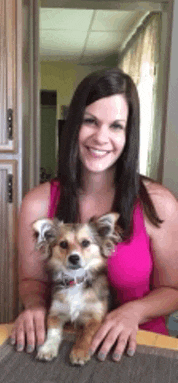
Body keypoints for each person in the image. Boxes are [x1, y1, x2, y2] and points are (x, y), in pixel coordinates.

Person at [10, 68, 178, 362]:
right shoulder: (38, 204)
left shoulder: (158, 204)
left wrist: (133, 311)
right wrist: (35, 306)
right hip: (64, 348)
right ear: (73, 124)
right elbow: (31, 281)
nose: (101, 137)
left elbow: (173, 289)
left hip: (141, 348)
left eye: (116, 126)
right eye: (90, 121)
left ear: (129, 135)